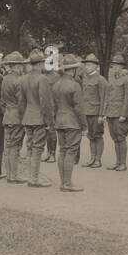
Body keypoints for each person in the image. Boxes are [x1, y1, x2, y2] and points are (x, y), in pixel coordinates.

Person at [21, 49, 55, 188]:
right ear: (40, 63)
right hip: (39, 118)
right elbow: (45, 102)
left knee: (29, 147)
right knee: (37, 148)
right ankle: (34, 179)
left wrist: (24, 116)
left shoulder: (24, 78)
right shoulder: (43, 79)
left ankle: (31, 177)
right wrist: (49, 122)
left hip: (28, 117)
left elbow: (21, 102)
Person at [52, 54, 85, 192]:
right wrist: (84, 124)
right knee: (71, 152)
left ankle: (63, 182)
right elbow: (78, 107)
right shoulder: (75, 85)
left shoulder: (56, 84)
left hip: (59, 121)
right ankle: (67, 183)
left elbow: (54, 106)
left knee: (63, 151)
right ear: (73, 70)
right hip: (72, 121)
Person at [0, 51, 28, 184]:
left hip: (7, 115)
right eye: (21, 65)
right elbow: (22, 103)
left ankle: (9, 174)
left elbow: (2, 101)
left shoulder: (4, 79)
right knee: (15, 147)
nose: (22, 68)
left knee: (8, 146)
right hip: (17, 117)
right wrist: (24, 119)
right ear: (17, 66)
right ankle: (14, 175)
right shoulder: (20, 81)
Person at [103, 55, 128, 171]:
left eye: (117, 65)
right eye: (113, 65)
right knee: (115, 138)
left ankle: (123, 163)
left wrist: (124, 114)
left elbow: (127, 99)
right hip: (110, 113)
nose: (114, 67)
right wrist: (105, 113)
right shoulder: (112, 79)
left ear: (121, 66)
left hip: (119, 113)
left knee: (121, 137)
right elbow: (108, 96)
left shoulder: (127, 80)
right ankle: (117, 162)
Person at [80, 54, 107, 168]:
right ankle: (92, 158)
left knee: (98, 136)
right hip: (87, 112)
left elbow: (104, 98)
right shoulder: (85, 78)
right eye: (86, 65)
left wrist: (101, 115)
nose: (87, 67)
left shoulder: (101, 80)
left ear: (96, 66)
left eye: (89, 65)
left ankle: (98, 159)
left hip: (96, 112)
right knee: (90, 136)